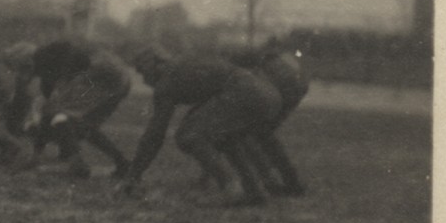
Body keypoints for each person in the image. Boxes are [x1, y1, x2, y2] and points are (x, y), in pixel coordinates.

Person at [120, 46, 282, 205]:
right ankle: (254, 190)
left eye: (141, 70)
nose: (143, 79)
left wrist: (133, 175)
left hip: (246, 92)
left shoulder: (166, 81)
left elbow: (154, 135)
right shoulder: (185, 63)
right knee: (225, 137)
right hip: (268, 93)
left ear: (155, 64)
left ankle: (232, 188)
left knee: (188, 136)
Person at [28, 38, 132, 178]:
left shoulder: (57, 63)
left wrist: (36, 153)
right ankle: (122, 162)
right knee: (85, 125)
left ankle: (77, 163)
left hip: (101, 72)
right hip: (121, 78)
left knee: (61, 115)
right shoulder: (63, 56)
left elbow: (51, 109)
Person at [229, 42, 310, 195]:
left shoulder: (245, 67)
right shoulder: (272, 57)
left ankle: (272, 180)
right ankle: (290, 181)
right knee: (264, 136)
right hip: (297, 85)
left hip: (283, 86)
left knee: (252, 135)